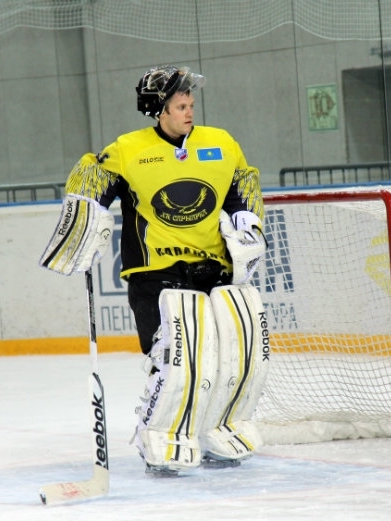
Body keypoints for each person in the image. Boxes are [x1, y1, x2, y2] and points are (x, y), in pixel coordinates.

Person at [39, 65, 270, 476]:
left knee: (237, 351)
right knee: (180, 357)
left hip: (213, 268)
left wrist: (246, 224)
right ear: (158, 110)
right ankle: (161, 434)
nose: (189, 111)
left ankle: (221, 427)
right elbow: (93, 181)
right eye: (180, 106)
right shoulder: (130, 149)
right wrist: (84, 221)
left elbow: (241, 188)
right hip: (154, 274)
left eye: (191, 104)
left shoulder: (220, 143)